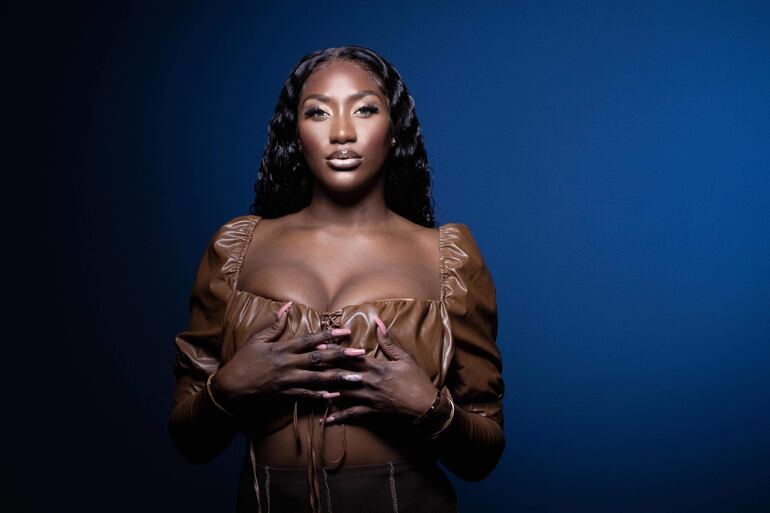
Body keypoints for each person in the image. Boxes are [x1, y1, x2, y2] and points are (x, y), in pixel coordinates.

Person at [168, 45, 505, 513]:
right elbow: (190, 442)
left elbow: (482, 457)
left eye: (364, 109)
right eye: (318, 112)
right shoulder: (236, 250)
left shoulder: (447, 258)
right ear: (296, 133)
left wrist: (425, 406)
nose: (342, 133)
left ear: (394, 130)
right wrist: (232, 385)